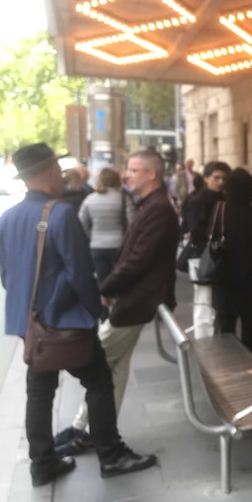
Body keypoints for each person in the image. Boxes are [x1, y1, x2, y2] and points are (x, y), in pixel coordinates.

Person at [0, 143, 157, 487]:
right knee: (99, 382)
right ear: (47, 172)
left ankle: (42, 465)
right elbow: (81, 275)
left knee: (39, 392)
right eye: (56, 167)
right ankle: (111, 455)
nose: (61, 173)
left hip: (32, 326)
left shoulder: (6, 219)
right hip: (67, 323)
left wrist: (31, 317)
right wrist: (96, 311)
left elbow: (8, 278)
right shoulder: (60, 213)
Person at [55, 149, 180, 456]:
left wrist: (106, 287)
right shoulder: (150, 205)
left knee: (96, 361)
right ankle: (88, 430)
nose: (127, 174)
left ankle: (91, 432)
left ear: (152, 174)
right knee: (114, 371)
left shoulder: (159, 209)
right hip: (133, 300)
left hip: (136, 302)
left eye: (134, 170)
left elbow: (137, 261)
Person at [214, 168, 252, 351]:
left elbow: (212, 239)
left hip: (225, 276)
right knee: (249, 328)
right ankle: (248, 364)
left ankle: (227, 365)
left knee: (226, 328)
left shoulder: (220, 210)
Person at [78, 167, 135, 321]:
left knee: (102, 279)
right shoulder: (123, 198)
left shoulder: (90, 199)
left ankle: (104, 314)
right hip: (119, 245)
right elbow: (132, 223)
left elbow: (82, 223)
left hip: (97, 246)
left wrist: (92, 236)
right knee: (119, 278)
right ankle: (120, 311)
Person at [181, 161, 230, 338]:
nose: (221, 182)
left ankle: (211, 342)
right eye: (216, 178)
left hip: (214, 257)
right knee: (204, 303)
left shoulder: (224, 199)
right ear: (206, 178)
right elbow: (195, 231)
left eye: (224, 178)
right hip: (203, 257)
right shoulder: (198, 200)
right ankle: (205, 346)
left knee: (213, 303)